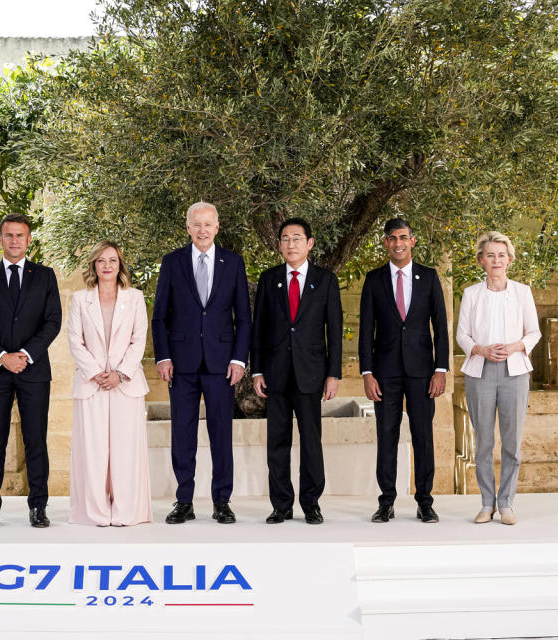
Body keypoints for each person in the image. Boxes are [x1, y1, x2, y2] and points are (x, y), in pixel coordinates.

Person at [152, 201, 252, 524]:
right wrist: (163, 356)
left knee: (221, 434)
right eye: (197, 224)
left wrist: (239, 358)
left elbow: (244, 319)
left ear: (217, 227)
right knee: (183, 434)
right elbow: (159, 317)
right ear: (188, 228)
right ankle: (184, 501)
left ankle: (222, 501)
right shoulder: (172, 262)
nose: (203, 230)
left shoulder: (233, 263)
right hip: (180, 364)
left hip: (222, 365)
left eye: (208, 224)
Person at [0, 213, 62, 528]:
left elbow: (53, 322)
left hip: (34, 371)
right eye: (8, 235)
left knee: (36, 440)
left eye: (20, 235)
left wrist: (24, 354)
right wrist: (1, 356)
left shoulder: (46, 276)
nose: (14, 241)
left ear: (29, 239)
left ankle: (38, 506)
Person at [251, 218, 342, 525]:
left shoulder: (325, 280)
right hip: (275, 374)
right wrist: (257, 370)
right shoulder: (269, 279)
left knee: (311, 441)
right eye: (285, 239)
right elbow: (259, 329)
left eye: (297, 238)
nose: (291, 244)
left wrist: (334, 374)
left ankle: (311, 503)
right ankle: (281, 505)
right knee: (277, 442)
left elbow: (335, 330)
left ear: (310, 243)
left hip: (311, 373)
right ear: (279, 245)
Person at [359, 218, 448, 523]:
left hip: (423, 372)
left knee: (423, 435)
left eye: (403, 237)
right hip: (384, 373)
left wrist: (441, 369)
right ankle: (386, 502)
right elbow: (365, 330)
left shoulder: (429, 277)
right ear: (385, 243)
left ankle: (425, 501)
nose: (397, 243)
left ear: (412, 241)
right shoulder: (373, 280)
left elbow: (441, 327)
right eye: (391, 238)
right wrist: (367, 373)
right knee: (387, 436)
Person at [67, 241, 152, 526]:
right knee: (92, 450)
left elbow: (139, 340)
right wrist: (96, 372)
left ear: (120, 265)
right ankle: (94, 512)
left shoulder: (135, 297)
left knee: (125, 449)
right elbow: (75, 342)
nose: (107, 265)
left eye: (112, 260)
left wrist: (120, 373)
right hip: (91, 385)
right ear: (93, 265)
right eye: (101, 260)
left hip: (126, 385)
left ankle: (128, 511)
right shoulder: (80, 299)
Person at [457, 231, 540, 525]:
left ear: (510, 260)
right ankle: (486, 503)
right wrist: (479, 349)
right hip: (480, 373)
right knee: (483, 443)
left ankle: (506, 504)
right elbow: (462, 334)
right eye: (490, 255)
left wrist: (517, 346)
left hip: (514, 373)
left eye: (501, 255)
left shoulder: (522, 292)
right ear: (481, 260)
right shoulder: (471, 294)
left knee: (512, 442)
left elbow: (534, 332)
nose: (496, 260)